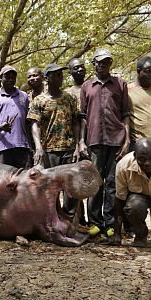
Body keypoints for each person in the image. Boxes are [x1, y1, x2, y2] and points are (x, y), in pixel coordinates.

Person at [79, 48, 130, 238]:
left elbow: (125, 115)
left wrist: (126, 141)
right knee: (94, 182)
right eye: (100, 62)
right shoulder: (87, 87)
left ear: (110, 64)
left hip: (116, 140)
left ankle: (110, 223)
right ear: (94, 64)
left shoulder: (120, 84)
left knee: (112, 183)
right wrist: (81, 142)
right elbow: (83, 117)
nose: (103, 65)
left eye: (107, 62)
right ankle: (95, 223)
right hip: (94, 141)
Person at [27, 63, 80, 168]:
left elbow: (75, 123)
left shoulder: (70, 98)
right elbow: (35, 125)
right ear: (47, 78)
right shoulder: (38, 101)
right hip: (48, 151)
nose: (61, 77)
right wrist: (38, 147)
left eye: (61, 74)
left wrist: (78, 146)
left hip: (69, 150)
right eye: (57, 75)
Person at [0, 65, 31, 169]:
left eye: (13, 77)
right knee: (4, 181)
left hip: (22, 146)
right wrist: (0, 127)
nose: (11, 79)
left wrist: (31, 147)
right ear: (1, 78)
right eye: (7, 76)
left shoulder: (23, 96)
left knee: (24, 180)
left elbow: (28, 122)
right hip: (3, 147)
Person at [109, 138, 151, 247]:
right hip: (139, 198)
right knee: (133, 206)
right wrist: (117, 234)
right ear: (135, 156)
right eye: (142, 159)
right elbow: (119, 200)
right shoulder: (123, 166)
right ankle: (141, 235)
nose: (147, 163)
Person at [64, 58, 87, 225]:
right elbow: (75, 120)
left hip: (93, 140)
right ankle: (76, 220)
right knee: (73, 182)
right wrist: (78, 143)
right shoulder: (68, 93)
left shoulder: (92, 86)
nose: (80, 70)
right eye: (75, 68)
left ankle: (91, 221)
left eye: (82, 67)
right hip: (73, 142)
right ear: (70, 72)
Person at [128, 56, 151, 151]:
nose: (150, 74)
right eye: (148, 71)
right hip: (139, 144)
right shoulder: (127, 90)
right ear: (138, 71)